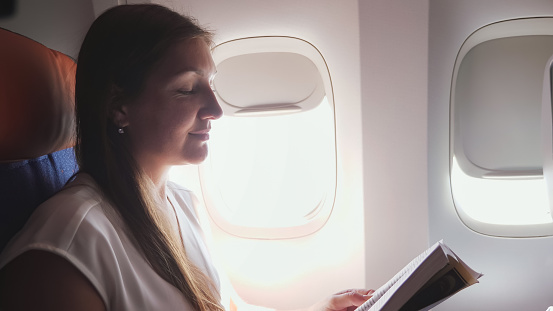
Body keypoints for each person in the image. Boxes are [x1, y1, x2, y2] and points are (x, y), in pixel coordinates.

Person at [0, 4, 373, 311]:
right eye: (187, 89)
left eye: (211, 85)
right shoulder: (68, 247)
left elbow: (224, 306)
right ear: (119, 107)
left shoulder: (183, 204)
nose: (215, 108)